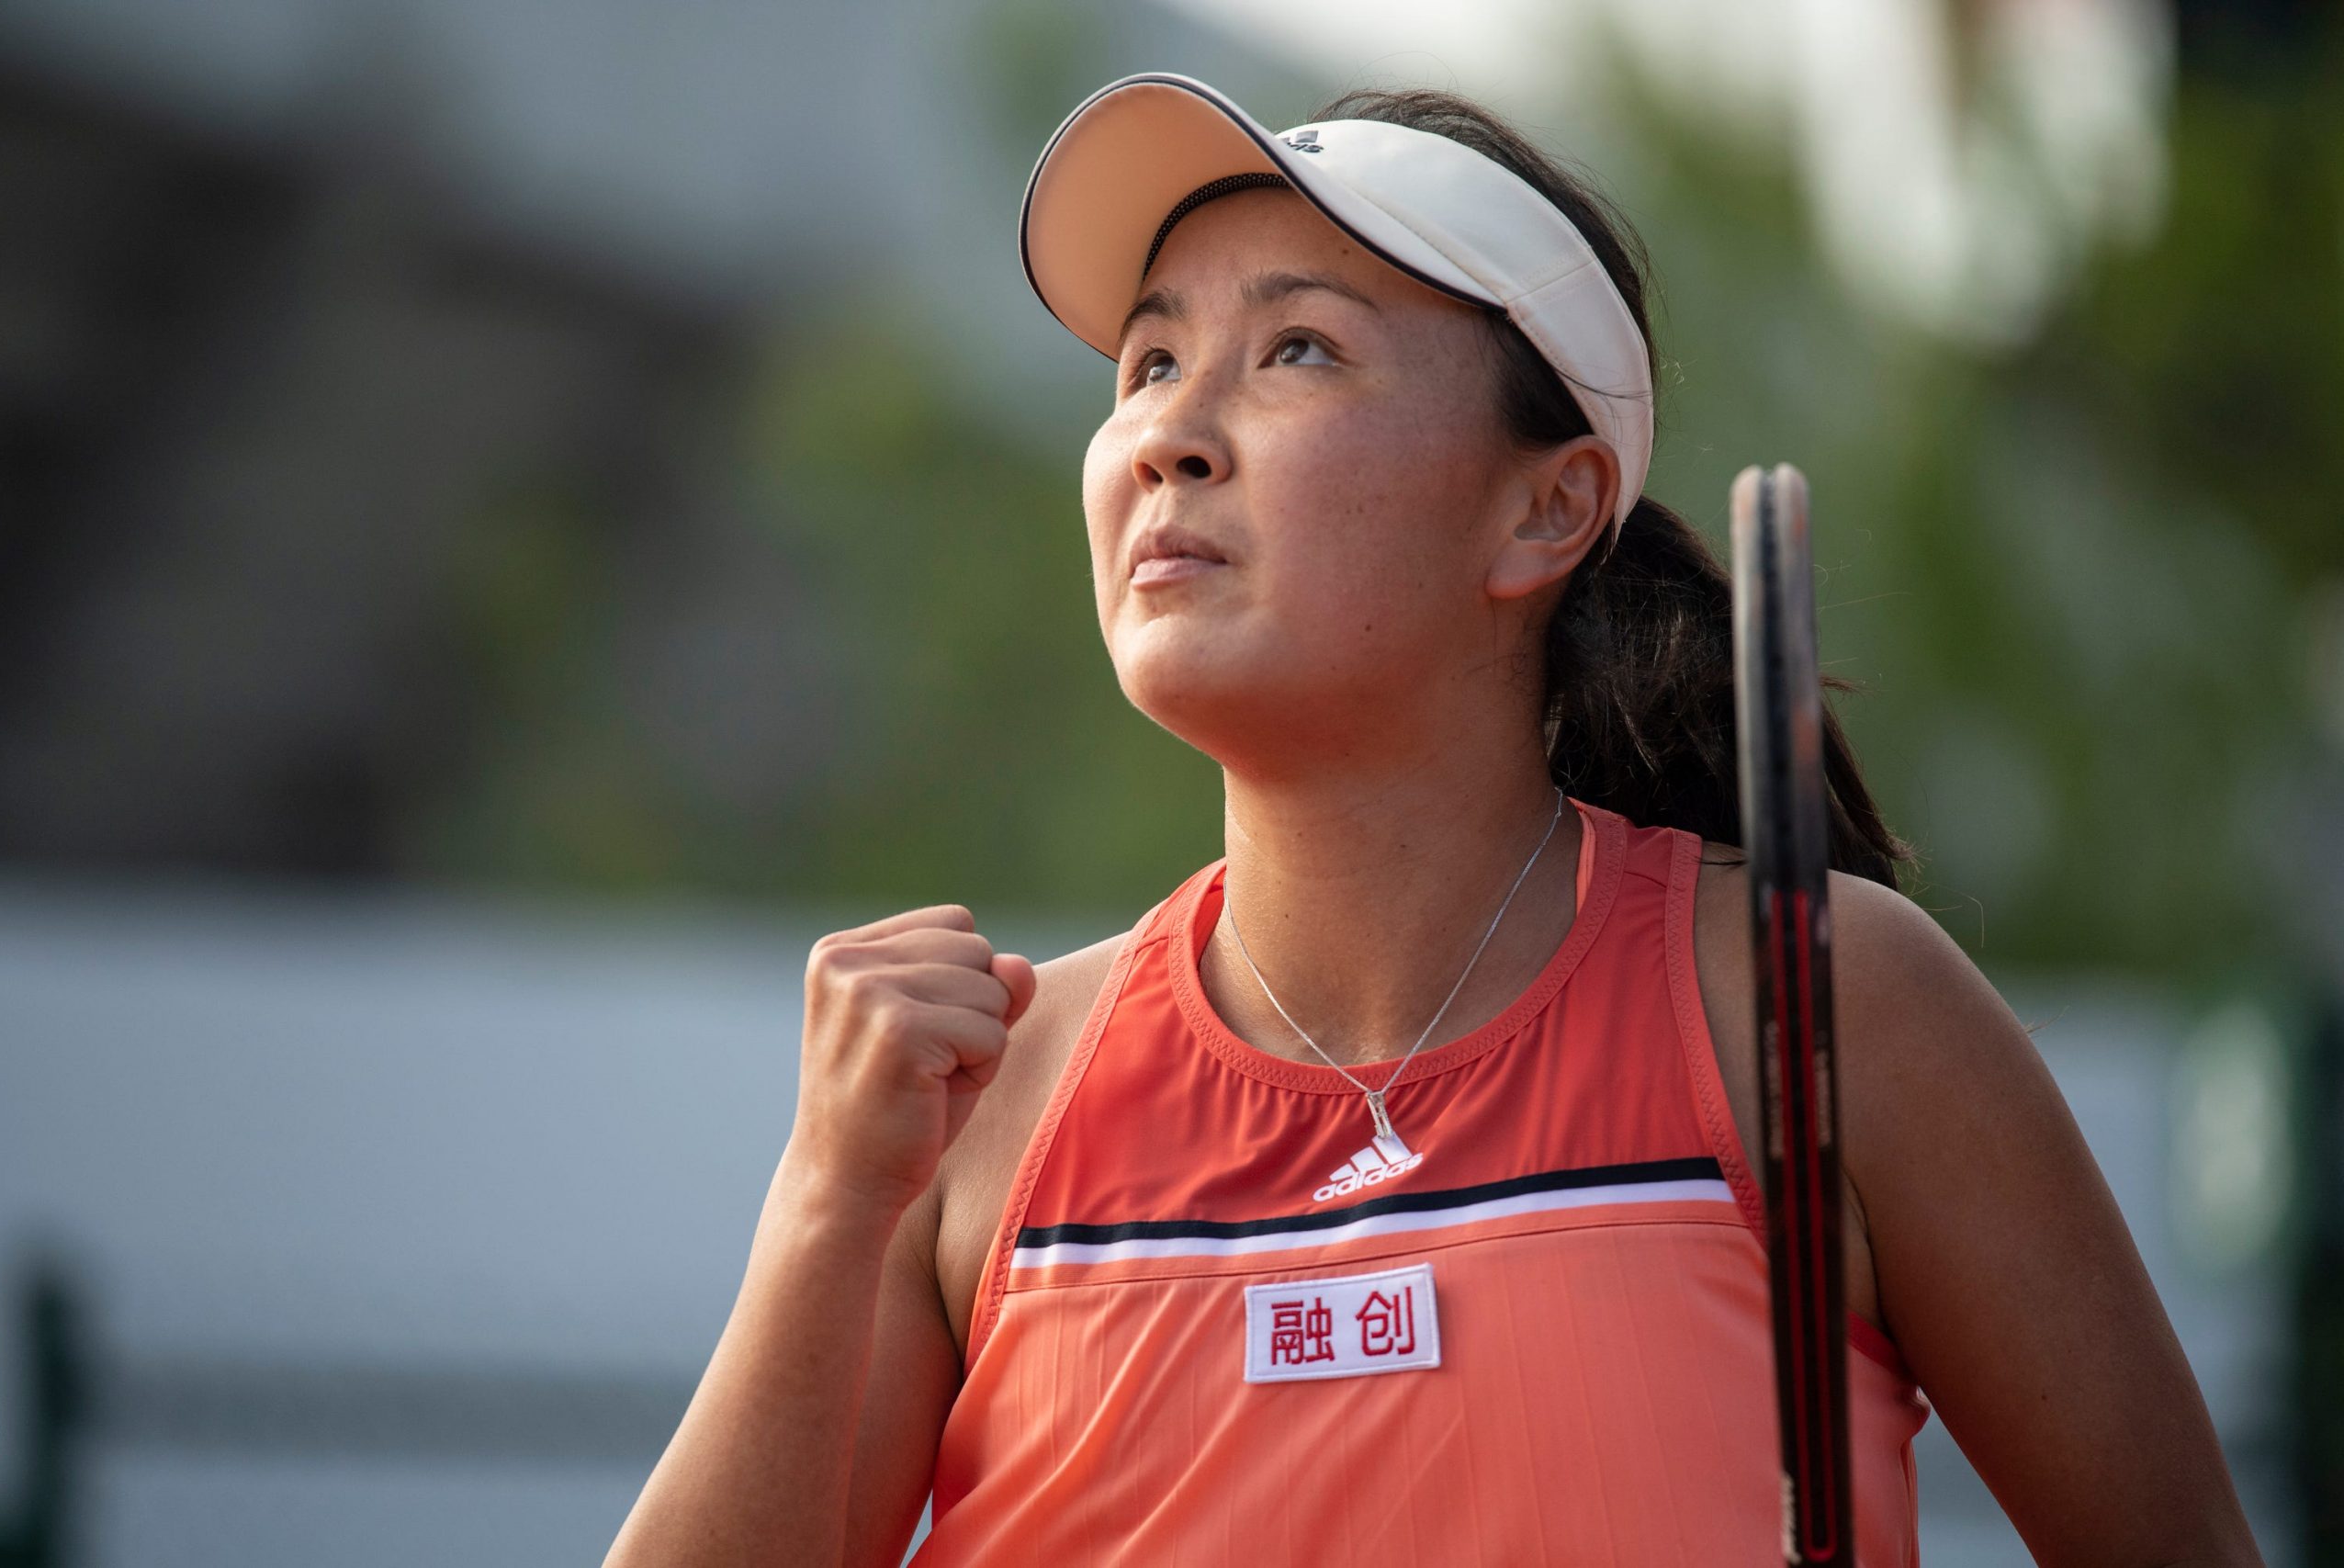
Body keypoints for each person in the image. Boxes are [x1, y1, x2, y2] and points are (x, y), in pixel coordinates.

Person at [603, 73, 2263, 1568]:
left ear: (1546, 509)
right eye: (1153, 361)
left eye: (1298, 349)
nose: (1170, 432)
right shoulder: (969, 1109)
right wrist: (825, 1202)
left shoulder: (1823, 1004)